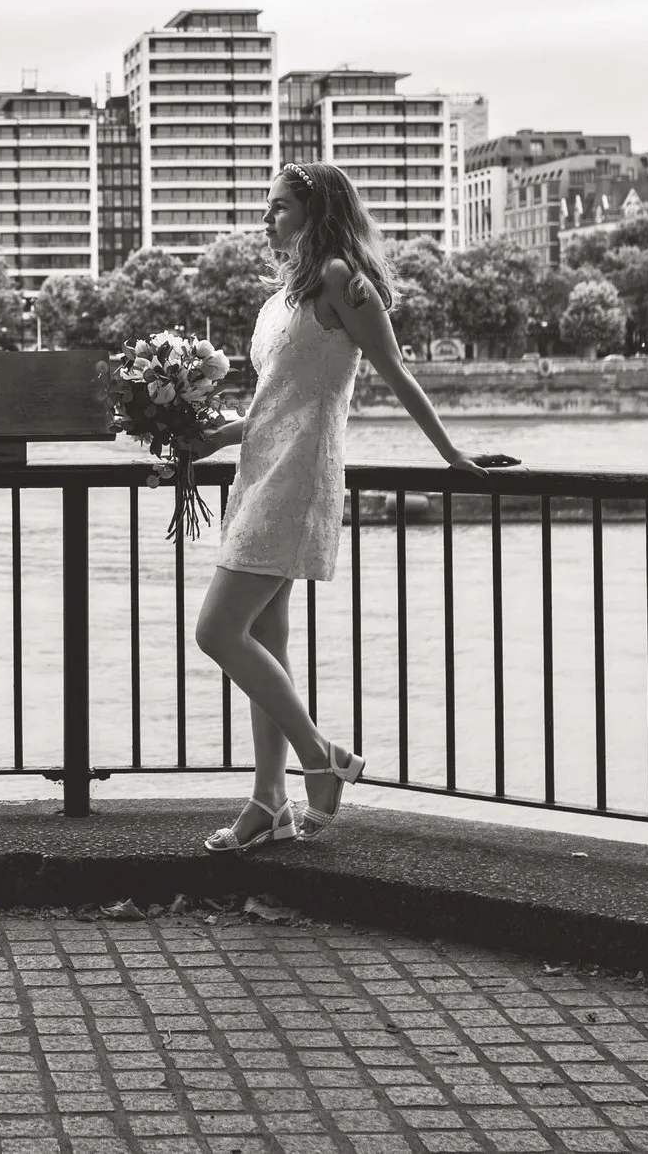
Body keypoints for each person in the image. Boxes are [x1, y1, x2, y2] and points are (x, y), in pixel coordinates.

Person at [190, 161, 503, 853]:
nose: (266, 218)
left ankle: (320, 757)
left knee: (215, 631)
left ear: (316, 211)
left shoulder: (340, 281)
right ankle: (268, 802)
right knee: (263, 640)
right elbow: (275, 400)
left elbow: (396, 373)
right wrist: (211, 434)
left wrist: (451, 455)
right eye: (267, 207)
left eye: (278, 208)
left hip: (297, 479)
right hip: (257, 470)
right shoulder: (281, 298)